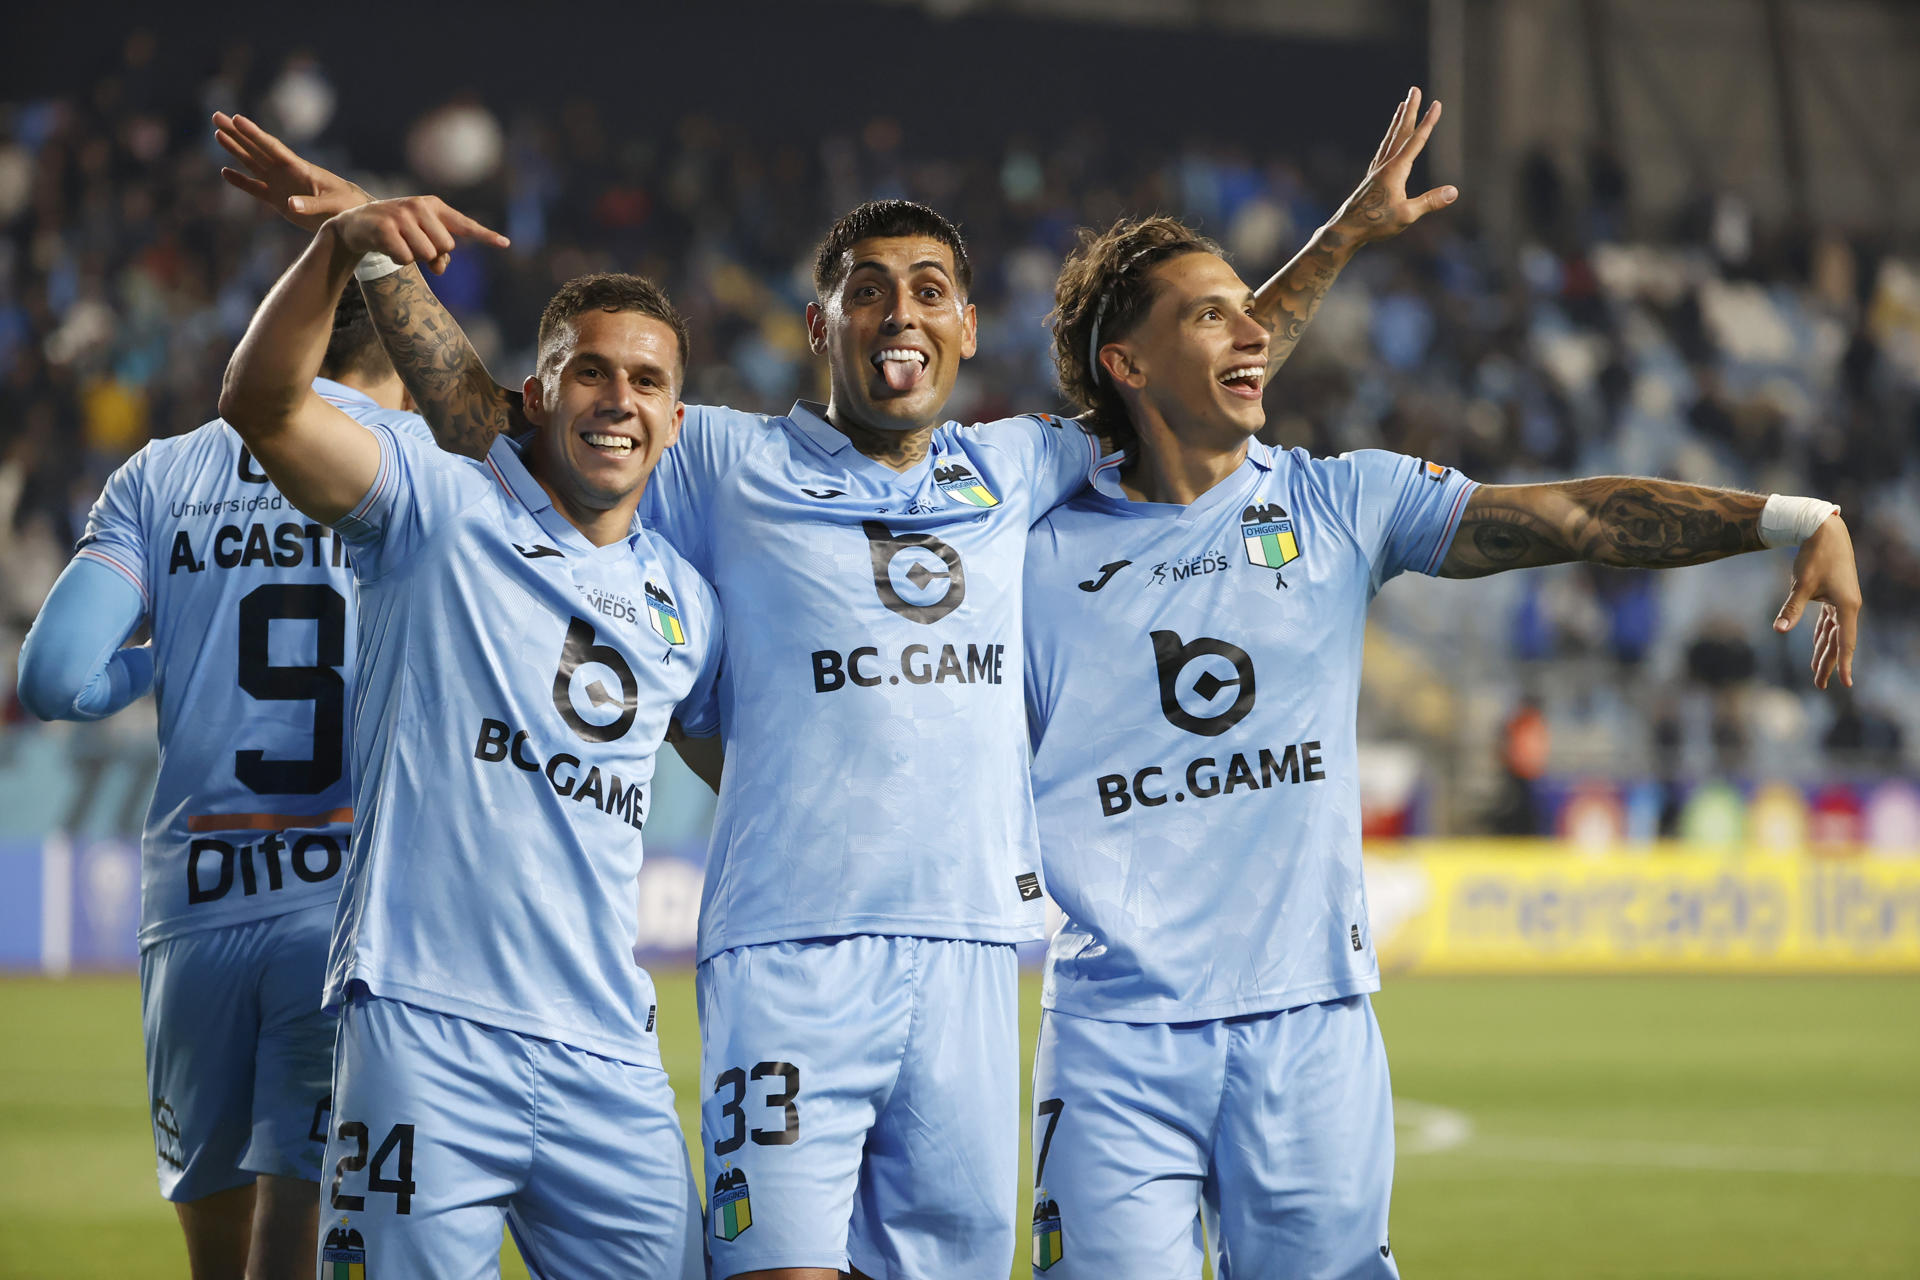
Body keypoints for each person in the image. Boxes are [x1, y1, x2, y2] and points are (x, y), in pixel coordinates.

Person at [208, 89, 1450, 1279]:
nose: (897, 313)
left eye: (927, 291)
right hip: (785, 947)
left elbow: (1193, 370)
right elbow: (500, 424)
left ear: (968, 325)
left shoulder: (1021, 466)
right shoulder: (723, 460)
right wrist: (362, 246)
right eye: (865, 292)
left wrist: (1341, 237)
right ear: (820, 327)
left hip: (969, 948)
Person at [1019, 211, 1861, 1277]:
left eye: (1251, 313)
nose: (1253, 336)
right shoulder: (1031, 550)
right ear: (1125, 362)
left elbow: (1574, 516)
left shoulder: (1337, 502)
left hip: (1310, 1022)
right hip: (1115, 1039)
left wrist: (1793, 517)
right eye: (1213, 316)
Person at [216, 196, 719, 1278]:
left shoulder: (690, 604)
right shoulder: (437, 509)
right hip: (422, 1029)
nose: (618, 399)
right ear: (536, 395)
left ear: (678, 420)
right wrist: (339, 248)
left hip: (607, 1049)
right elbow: (260, 403)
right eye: (591, 371)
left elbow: (749, 766)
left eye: (647, 381)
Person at [15, 290, 424, 1280]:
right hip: (348, 911)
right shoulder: (420, 465)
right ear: (401, 359)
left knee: (220, 1257)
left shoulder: (163, 473)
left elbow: (52, 677)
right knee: (304, 1234)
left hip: (195, 911)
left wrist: (161, 660)